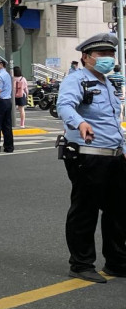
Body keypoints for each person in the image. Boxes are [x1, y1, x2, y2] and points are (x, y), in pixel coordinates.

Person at [56, 32, 126, 283]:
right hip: (88, 155)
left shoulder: (107, 83)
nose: (109, 58)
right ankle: (81, 264)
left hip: (114, 156)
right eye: (102, 54)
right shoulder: (77, 80)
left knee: (118, 211)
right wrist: (80, 122)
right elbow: (64, 106)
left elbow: (113, 123)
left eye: (111, 54)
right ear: (86, 57)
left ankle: (117, 261)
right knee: (85, 210)